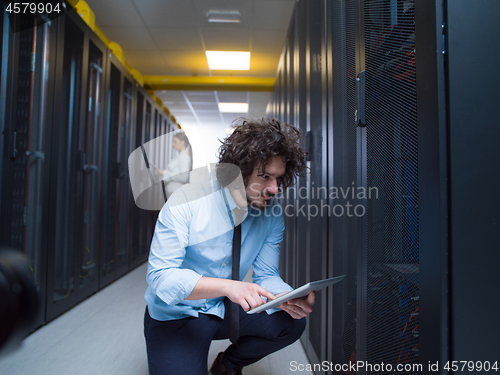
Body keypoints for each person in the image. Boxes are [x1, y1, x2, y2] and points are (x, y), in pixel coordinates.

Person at [144, 118, 316, 375]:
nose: (274, 189)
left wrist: (285, 297)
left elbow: (267, 275)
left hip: (223, 306)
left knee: (289, 323)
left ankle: (228, 364)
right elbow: (160, 278)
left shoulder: (271, 214)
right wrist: (227, 286)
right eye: (265, 176)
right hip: (176, 313)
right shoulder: (187, 201)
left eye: (278, 178)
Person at [158, 130, 193, 198]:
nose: (173, 144)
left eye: (175, 141)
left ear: (182, 142)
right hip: (174, 194)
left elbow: (184, 177)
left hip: (176, 194)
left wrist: (165, 173)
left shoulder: (184, 157)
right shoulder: (180, 156)